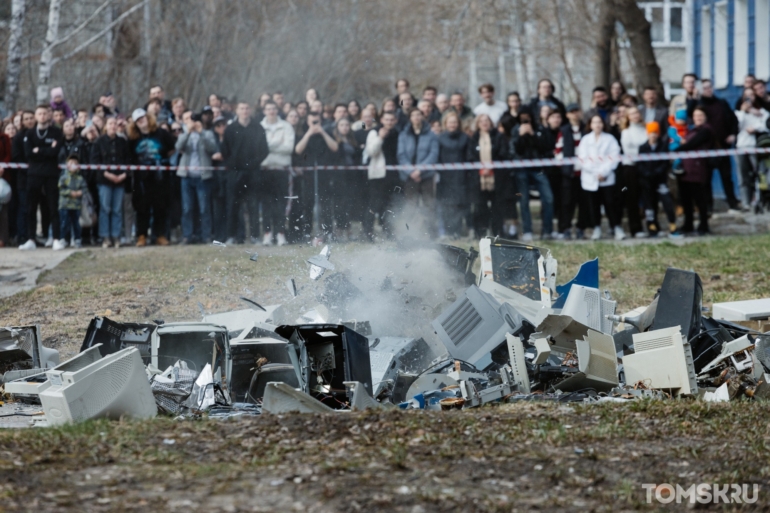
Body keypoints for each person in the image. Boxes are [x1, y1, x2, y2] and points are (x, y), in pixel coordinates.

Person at [222, 102, 270, 244]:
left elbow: (264, 150)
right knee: (233, 206)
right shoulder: (230, 129)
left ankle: (255, 237)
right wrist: (233, 164)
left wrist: (253, 164)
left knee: (253, 205)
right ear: (237, 110)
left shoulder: (258, 128)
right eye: (241, 108)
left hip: (253, 173)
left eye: (247, 108)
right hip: (235, 173)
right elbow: (225, 150)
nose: (244, 111)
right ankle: (232, 236)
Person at [127, 108, 176, 247]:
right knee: (142, 207)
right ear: (135, 123)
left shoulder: (162, 134)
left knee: (160, 206)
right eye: (138, 120)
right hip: (141, 179)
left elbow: (172, 149)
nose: (141, 121)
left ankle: (160, 235)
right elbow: (130, 156)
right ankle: (141, 235)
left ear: (148, 118)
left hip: (160, 177)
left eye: (143, 118)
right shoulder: (133, 138)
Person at [20, 105, 64, 251]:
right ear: (36, 116)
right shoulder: (30, 133)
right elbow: (28, 153)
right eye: (39, 113)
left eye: (45, 113)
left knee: (53, 207)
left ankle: (56, 238)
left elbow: (54, 152)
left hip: (51, 174)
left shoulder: (56, 132)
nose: (42, 116)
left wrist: (39, 150)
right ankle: (31, 238)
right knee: (31, 207)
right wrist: (46, 150)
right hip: (34, 174)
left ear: (49, 115)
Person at [576, 114, 624, 241]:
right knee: (593, 205)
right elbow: (582, 158)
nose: (597, 125)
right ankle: (596, 228)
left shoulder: (610, 139)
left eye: (600, 122)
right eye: (594, 122)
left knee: (611, 204)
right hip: (590, 178)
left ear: (603, 124)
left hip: (606, 178)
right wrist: (595, 173)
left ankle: (616, 227)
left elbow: (614, 157)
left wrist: (603, 172)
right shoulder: (585, 140)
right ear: (590, 125)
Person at [295, 110, 338, 242]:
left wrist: (322, 132)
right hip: (308, 176)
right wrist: (309, 133)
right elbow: (298, 150)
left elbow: (335, 147)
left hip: (324, 175)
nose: (314, 124)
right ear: (307, 122)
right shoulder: (303, 134)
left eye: (317, 121)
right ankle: (307, 233)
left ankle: (328, 233)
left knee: (325, 206)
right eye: (312, 121)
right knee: (307, 205)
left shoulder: (327, 133)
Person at [176, 110, 218, 245]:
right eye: (188, 119)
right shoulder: (184, 134)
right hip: (187, 176)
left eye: (193, 119)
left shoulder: (207, 133)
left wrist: (201, 133)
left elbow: (213, 148)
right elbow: (178, 147)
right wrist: (188, 132)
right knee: (187, 208)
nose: (192, 122)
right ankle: (187, 236)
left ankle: (205, 235)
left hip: (202, 176)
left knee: (204, 208)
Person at [698, 79, 741, 212]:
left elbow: (733, 120)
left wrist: (733, 134)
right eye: (704, 88)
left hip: (723, 147)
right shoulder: (699, 105)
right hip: (707, 147)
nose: (708, 90)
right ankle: (708, 206)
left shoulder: (721, 103)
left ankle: (732, 203)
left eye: (709, 87)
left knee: (727, 177)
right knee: (706, 179)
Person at [512, 108, 554, 242]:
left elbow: (545, 148)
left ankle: (547, 230)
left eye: (527, 117)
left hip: (538, 169)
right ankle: (527, 231)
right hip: (521, 169)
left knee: (548, 198)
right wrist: (520, 135)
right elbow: (516, 150)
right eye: (522, 117)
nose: (525, 120)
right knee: (523, 201)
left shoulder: (540, 129)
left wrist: (532, 134)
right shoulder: (515, 130)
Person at [397, 108, 439, 237]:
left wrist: (420, 170)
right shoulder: (403, 135)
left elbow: (433, 154)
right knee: (410, 205)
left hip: (426, 175)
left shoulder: (431, 135)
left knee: (429, 204)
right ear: (410, 118)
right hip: (409, 176)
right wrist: (411, 171)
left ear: (423, 117)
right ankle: (409, 233)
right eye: (413, 115)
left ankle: (431, 233)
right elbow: (401, 155)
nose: (416, 117)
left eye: (418, 114)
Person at [90, 116, 130, 248]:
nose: (113, 126)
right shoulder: (99, 142)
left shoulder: (123, 142)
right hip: (104, 181)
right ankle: (105, 237)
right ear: (105, 126)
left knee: (117, 210)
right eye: (110, 123)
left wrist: (123, 175)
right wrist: (108, 174)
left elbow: (128, 161)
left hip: (120, 181)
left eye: (115, 124)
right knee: (105, 209)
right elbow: (95, 162)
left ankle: (116, 236)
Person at [260, 101, 295, 246]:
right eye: (268, 109)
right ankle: (267, 234)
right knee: (266, 204)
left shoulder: (286, 126)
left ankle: (281, 234)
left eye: (274, 108)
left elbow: (288, 148)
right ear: (264, 111)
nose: (271, 111)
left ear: (277, 110)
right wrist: (276, 143)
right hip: (265, 170)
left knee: (281, 203)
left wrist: (269, 146)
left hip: (281, 170)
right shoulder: (260, 127)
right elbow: (260, 148)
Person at [675, 106, 714, 235]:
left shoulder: (706, 130)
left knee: (700, 199)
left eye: (700, 115)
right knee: (686, 200)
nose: (698, 118)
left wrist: (677, 150)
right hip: (686, 170)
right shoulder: (691, 130)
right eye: (696, 115)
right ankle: (688, 224)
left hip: (698, 169)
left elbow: (692, 144)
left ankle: (703, 225)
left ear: (706, 117)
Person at [467, 113, 507, 237]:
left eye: (487, 120)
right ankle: (481, 232)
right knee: (480, 206)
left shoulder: (499, 136)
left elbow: (503, 154)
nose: (484, 123)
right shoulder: (474, 138)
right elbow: (470, 157)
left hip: (496, 178)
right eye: (481, 121)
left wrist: (491, 167)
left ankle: (497, 232)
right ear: (478, 124)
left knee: (497, 207)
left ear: (491, 122)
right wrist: (481, 169)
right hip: (479, 179)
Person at [638, 122, 680, 238]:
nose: (653, 135)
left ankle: (672, 224)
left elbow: (665, 163)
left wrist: (657, 172)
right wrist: (647, 174)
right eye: (651, 132)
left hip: (660, 180)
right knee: (649, 204)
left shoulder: (663, 146)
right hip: (647, 182)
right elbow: (640, 164)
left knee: (667, 202)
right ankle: (652, 226)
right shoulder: (643, 147)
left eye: (655, 132)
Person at [363, 111, 400, 241]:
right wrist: (380, 138)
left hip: (393, 174)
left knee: (389, 205)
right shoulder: (374, 132)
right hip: (378, 175)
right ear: (382, 120)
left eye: (391, 119)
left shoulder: (397, 132)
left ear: (395, 120)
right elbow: (371, 151)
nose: (389, 122)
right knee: (374, 204)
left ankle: (388, 232)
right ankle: (367, 233)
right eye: (387, 119)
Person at [555, 103, 588, 239]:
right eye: (571, 112)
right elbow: (558, 151)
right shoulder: (564, 130)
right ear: (567, 115)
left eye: (576, 111)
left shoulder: (586, 129)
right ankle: (565, 229)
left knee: (584, 202)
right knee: (567, 202)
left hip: (585, 173)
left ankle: (581, 228)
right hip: (568, 173)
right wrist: (564, 167)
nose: (575, 114)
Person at [436, 112, 470, 238]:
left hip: (461, 177)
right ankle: (447, 231)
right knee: (446, 204)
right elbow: (437, 157)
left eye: (455, 122)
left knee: (459, 204)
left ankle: (457, 231)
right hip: (445, 177)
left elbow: (468, 157)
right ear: (445, 123)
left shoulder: (465, 138)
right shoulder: (440, 138)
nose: (452, 124)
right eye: (450, 122)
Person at [735, 87, 769, 209]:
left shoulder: (761, 111)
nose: (749, 98)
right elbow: (736, 126)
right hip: (741, 146)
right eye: (747, 95)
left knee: (759, 175)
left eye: (752, 95)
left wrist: (756, 126)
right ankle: (746, 202)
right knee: (743, 176)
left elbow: (766, 125)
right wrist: (744, 112)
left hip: (756, 147)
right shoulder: (739, 112)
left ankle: (760, 200)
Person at [330, 118, 361, 241]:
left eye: (347, 125)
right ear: (337, 127)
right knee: (339, 204)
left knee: (348, 203)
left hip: (351, 176)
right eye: (342, 125)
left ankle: (348, 229)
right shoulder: (334, 140)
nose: (345, 127)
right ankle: (339, 230)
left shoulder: (352, 140)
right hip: (338, 176)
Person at [619, 106, 647, 237]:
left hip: (646, 167)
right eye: (632, 113)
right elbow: (628, 150)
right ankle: (635, 228)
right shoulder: (626, 132)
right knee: (632, 198)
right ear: (628, 117)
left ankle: (652, 226)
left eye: (637, 112)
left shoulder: (645, 129)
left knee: (648, 197)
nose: (635, 115)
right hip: (631, 168)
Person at [537, 109, 565, 238]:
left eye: (558, 117)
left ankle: (561, 230)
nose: (556, 119)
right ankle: (546, 230)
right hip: (547, 172)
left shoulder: (564, 132)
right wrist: (553, 153)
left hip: (562, 172)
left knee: (561, 201)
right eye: (553, 117)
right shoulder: (542, 133)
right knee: (548, 201)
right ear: (548, 119)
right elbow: (540, 152)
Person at [12, 110, 34, 246]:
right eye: (26, 119)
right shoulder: (19, 137)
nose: (29, 121)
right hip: (23, 179)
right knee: (24, 207)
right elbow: (16, 157)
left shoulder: (37, 135)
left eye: (32, 118)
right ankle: (22, 235)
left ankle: (32, 236)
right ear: (22, 121)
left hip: (37, 177)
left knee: (33, 208)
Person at [57, 154, 86, 249]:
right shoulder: (63, 177)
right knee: (64, 223)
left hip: (76, 206)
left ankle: (77, 239)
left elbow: (85, 189)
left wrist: (80, 192)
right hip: (65, 205)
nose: (73, 165)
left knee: (76, 224)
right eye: (71, 163)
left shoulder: (80, 178)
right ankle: (63, 239)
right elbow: (61, 189)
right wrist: (70, 192)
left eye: (75, 163)